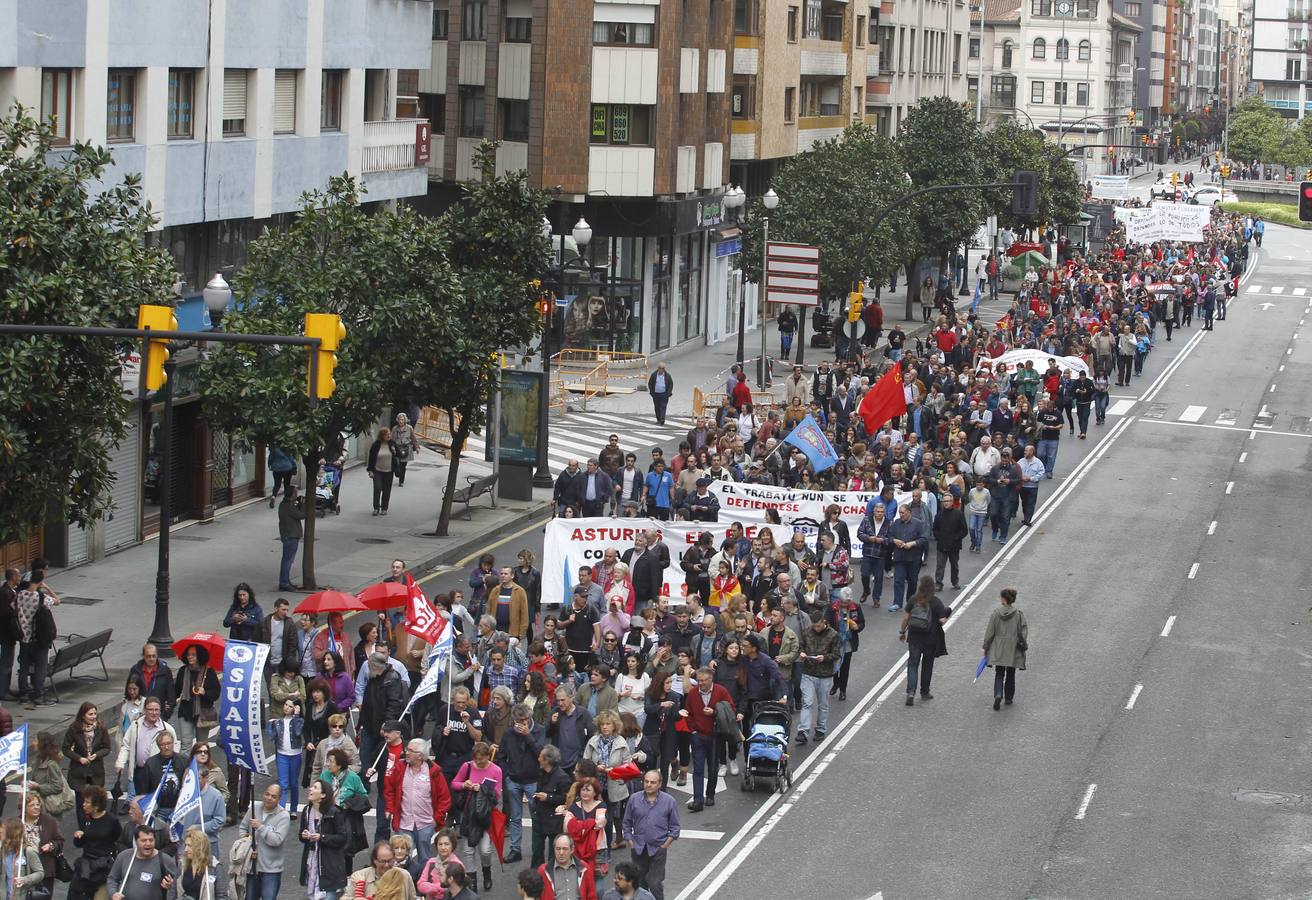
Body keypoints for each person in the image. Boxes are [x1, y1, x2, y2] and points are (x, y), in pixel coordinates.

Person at [383, 740, 452, 873]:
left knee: (425, 859)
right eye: (407, 749)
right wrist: (390, 809)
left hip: (425, 823)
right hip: (404, 822)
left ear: (420, 756)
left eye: (410, 751)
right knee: (401, 859)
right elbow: (389, 790)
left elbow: (445, 798)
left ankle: (423, 886)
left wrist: (436, 819)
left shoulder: (434, 772)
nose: (406, 752)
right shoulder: (399, 768)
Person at [680, 668, 733, 812]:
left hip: (715, 736)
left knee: (713, 767)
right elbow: (688, 712)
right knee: (697, 769)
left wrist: (715, 712)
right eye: (698, 680)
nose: (700, 683)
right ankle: (698, 800)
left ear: (711, 680)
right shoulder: (692, 693)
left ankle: (710, 794)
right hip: (698, 736)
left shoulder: (721, 691)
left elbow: (730, 709)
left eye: (703, 681)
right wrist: (693, 730)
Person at [621, 771, 678, 900]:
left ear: (660, 784)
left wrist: (665, 845)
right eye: (646, 781)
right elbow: (627, 822)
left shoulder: (669, 801)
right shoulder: (634, 799)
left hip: (658, 848)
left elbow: (675, 827)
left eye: (653, 782)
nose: (649, 785)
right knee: (640, 883)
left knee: (654, 882)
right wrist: (630, 841)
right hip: (639, 848)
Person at [452, 743, 501, 892]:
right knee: (468, 850)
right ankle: (472, 881)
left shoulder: (496, 770)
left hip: (485, 814)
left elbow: (497, 794)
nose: (478, 762)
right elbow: (454, 783)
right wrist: (464, 785)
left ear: (488, 756)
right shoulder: (467, 766)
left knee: (485, 850)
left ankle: (487, 873)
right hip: (468, 814)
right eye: (476, 759)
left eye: (481, 759)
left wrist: (482, 789)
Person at [499, 705, 545, 864]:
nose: (522, 724)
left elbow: (542, 754)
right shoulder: (509, 734)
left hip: (533, 781)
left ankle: (537, 850)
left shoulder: (539, 730)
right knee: (515, 817)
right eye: (518, 721)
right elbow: (501, 756)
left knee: (537, 817)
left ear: (529, 718)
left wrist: (528, 736)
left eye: (525, 720)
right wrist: (506, 776)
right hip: (514, 780)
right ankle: (515, 849)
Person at [898, 575, 951, 706]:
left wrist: (902, 632)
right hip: (930, 639)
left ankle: (911, 692)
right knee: (927, 666)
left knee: (912, 664)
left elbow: (906, 618)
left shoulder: (913, 600)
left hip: (914, 638)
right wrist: (947, 614)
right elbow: (942, 621)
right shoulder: (936, 602)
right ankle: (925, 692)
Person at [69, 785, 122, 900]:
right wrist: (78, 837)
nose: (83, 804)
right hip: (87, 864)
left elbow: (118, 838)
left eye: (87, 802)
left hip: (104, 867)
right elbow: (79, 844)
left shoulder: (112, 820)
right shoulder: (86, 819)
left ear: (96, 806)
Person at [63, 702, 112, 825]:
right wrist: (79, 758)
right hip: (79, 770)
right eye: (90, 714)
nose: (94, 716)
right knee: (81, 803)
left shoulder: (101, 728)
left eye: (95, 713)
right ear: (83, 715)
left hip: (96, 770)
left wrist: (97, 755)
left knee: (97, 801)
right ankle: (83, 828)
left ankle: (97, 826)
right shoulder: (74, 729)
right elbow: (65, 749)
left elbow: (107, 748)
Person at [115, 697, 177, 795]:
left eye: (157, 710)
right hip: (138, 772)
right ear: (144, 710)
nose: (154, 713)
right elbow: (126, 746)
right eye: (150, 709)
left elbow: (174, 754)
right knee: (137, 802)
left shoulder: (168, 729)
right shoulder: (135, 726)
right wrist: (120, 763)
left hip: (158, 774)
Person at [299, 780, 348, 900]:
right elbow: (301, 835)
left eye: (315, 787)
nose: (310, 789)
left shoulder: (334, 812)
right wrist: (304, 835)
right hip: (311, 859)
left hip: (330, 863)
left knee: (328, 895)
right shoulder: (307, 810)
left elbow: (342, 838)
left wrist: (322, 837)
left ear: (323, 795)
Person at [242, 784, 292, 900]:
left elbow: (277, 840)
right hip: (252, 866)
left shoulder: (283, 816)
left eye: (273, 796)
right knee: (249, 897)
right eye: (267, 794)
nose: (269, 798)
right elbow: (243, 828)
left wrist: (260, 827)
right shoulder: (254, 808)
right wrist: (248, 846)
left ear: (279, 799)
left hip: (271, 870)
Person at [796, 610, 838, 745]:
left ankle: (820, 729)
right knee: (807, 702)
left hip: (825, 674)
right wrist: (802, 653)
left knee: (823, 704)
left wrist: (824, 658)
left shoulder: (833, 635)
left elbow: (836, 654)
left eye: (818, 626)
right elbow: (800, 646)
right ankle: (803, 731)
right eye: (814, 626)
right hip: (808, 672)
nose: (816, 628)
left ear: (823, 622)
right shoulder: (806, 631)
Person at [983, 587, 1029, 710]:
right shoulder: (1018, 614)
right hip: (1013, 648)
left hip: (998, 647)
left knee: (999, 672)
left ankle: (998, 693)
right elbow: (1023, 631)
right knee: (1011, 672)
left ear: (1003, 599)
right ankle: (1008, 698)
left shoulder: (996, 613)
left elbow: (990, 632)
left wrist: (986, 646)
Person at [106, 826, 177, 900]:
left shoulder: (165, 860)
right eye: (143, 840)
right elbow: (112, 879)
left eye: (151, 840)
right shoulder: (124, 856)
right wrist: (113, 893)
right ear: (136, 841)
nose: (148, 843)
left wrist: (171, 885)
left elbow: (178, 886)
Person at [173, 644, 220, 751]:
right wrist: (170, 701)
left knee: (202, 746)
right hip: (185, 713)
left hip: (203, 713)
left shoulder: (209, 672)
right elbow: (176, 690)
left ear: (200, 656)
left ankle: (201, 768)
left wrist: (205, 692)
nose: (190, 657)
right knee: (185, 744)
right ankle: (185, 768)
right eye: (188, 655)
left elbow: (216, 694)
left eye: (193, 655)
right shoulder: (182, 671)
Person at [269, 699, 306, 817]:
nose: (286, 708)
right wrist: (271, 725)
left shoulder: (299, 720)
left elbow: (298, 732)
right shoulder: (279, 721)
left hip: (295, 754)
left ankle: (294, 809)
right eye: (285, 704)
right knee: (283, 784)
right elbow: (271, 737)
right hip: (282, 754)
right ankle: (282, 810)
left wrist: (296, 716)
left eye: (290, 706)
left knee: (294, 783)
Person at [21, 791, 62, 900]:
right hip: (23, 871)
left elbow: (59, 841)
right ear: (23, 807)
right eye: (32, 805)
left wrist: (51, 845)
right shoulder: (18, 822)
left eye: (38, 804)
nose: (36, 807)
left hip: (45, 869)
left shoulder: (50, 822)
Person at [887, 504, 927, 612]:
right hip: (899, 557)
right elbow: (889, 537)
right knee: (898, 580)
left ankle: (911, 602)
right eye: (899, 513)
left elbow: (924, 538)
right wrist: (894, 541)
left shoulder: (917, 524)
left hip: (913, 558)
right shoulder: (896, 523)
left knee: (912, 581)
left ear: (909, 512)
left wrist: (912, 543)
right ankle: (897, 603)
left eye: (903, 513)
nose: (901, 515)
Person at [537, 833, 594, 900]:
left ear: (572, 850)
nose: (561, 853)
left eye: (565, 849)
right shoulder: (543, 871)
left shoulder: (585, 868)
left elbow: (592, 896)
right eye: (558, 849)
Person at [931, 490, 968, 590]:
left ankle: (955, 581)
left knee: (954, 565)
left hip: (954, 546)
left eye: (948, 501)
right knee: (940, 566)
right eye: (944, 501)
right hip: (942, 545)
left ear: (952, 502)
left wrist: (956, 538)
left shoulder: (959, 514)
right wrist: (939, 538)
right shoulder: (938, 515)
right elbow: (935, 529)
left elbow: (964, 530)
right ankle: (938, 583)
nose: (946, 503)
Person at [415, 828, 463, 900]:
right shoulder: (431, 862)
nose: (443, 847)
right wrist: (440, 887)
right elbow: (420, 885)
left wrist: (430, 887)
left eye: (446, 844)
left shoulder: (457, 865)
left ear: (453, 845)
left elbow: (456, 889)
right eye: (440, 844)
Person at [177, 827, 223, 900]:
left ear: (200, 847)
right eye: (185, 845)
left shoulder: (214, 867)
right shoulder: (182, 865)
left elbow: (221, 896)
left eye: (190, 846)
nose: (185, 849)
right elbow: (173, 893)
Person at [277, 486, 305, 592]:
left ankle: (285, 581)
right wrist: (303, 504)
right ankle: (284, 582)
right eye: (296, 493)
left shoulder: (283, 505)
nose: (297, 495)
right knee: (287, 561)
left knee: (287, 560)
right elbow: (302, 515)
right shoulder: (289, 506)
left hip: (287, 535)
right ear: (293, 494)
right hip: (291, 536)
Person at [367, 428, 400, 516]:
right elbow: (371, 458)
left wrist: (395, 451)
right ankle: (376, 508)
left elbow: (399, 455)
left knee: (386, 490)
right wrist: (370, 470)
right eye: (386, 434)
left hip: (389, 471)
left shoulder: (392, 443)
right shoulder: (376, 445)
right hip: (377, 470)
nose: (389, 436)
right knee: (377, 488)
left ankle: (384, 508)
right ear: (382, 436)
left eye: (389, 434)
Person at [0, 568, 18, 701]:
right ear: (13, 577)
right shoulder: (5, 593)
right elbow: (6, 614)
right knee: (6, 663)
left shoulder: (9, 591)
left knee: (8, 662)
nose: (20, 577)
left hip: (7, 634)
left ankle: (6, 688)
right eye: (18, 575)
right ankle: (2, 691)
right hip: (6, 634)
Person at [391, 413, 418, 487]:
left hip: (406, 448)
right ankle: (398, 473)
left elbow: (413, 438)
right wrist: (392, 446)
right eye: (399, 419)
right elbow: (391, 439)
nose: (401, 421)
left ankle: (401, 481)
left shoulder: (409, 428)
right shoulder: (394, 428)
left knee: (403, 466)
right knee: (397, 464)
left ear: (405, 420)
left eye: (402, 419)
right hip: (397, 448)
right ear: (397, 420)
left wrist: (416, 447)